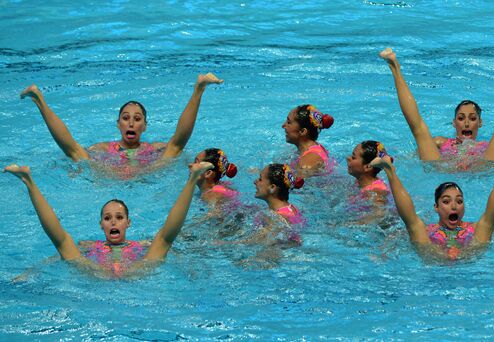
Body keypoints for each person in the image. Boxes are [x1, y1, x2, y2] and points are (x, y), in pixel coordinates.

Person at [3, 161, 214, 278]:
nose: (113, 222)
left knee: (164, 240)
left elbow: (174, 249)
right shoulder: (89, 246)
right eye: (107, 218)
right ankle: (28, 181)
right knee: (63, 245)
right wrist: (33, 270)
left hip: (135, 271)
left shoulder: (142, 245)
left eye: (119, 217)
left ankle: (192, 180)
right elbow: (52, 258)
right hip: (96, 272)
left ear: (128, 223)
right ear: (101, 224)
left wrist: (191, 268)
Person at [20, 73, 223, 175]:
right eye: (125, 118)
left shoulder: (155, 148)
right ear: (118, 124)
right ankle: (39, 100)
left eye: (137, 119)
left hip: (146, 173)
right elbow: (74, 149)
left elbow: (178, 141)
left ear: (145, 126)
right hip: (110, 176)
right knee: (74, 152)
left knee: (175, 148)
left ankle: (199, 88)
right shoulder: (101, 148)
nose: (131, 123)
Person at [379, 48, 494, 163]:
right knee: (419, 130)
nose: (466, 123)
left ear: (480, 123)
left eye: (472, 118)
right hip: (443, 168)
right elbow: (411, 156)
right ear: (454, 123)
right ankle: (394, 67)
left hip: (481, 167)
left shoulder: (486, 147)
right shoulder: (440, 142)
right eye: (461, 118)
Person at [370, 149, 494, 260]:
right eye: (446, 201)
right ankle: (390, 171)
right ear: (436, 207)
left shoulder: (474, 228)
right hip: (435, 259)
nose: (454, 206)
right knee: (414, 227)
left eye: (459, 201)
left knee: (487, 226)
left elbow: (493, 215)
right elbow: (407, 221)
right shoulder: (428, 230)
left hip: (468, 256)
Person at [252, 163, 305, 245]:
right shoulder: (291, 209)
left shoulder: (276, 218)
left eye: (260, 179)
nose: (255, 182)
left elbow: (261, 242)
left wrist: (227, 243)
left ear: (272, 187)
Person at [282, 104, 334, 177]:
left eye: (289, 122)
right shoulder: (314, 147)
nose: (283, 125)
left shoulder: (307, 162)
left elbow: (299, 186)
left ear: (302, 131)